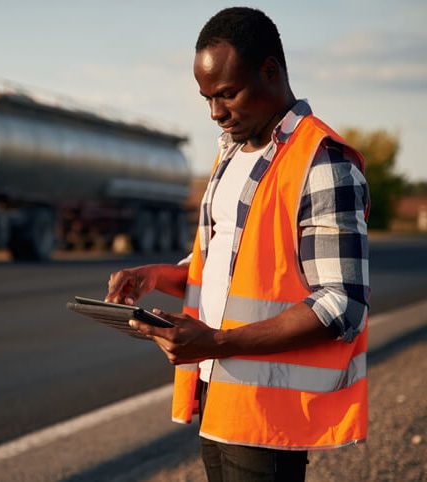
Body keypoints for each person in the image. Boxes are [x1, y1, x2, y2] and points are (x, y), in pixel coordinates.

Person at [106, 7, 370, 482]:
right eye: (207, 97)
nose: (215, 112)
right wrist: (156, 276)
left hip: (268, 411)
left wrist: (217, 342)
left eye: (227, 94)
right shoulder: (231, 153)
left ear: (270, 71)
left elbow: (342, 306)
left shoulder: (322, 162)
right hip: (218, 395)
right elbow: (226, 264)